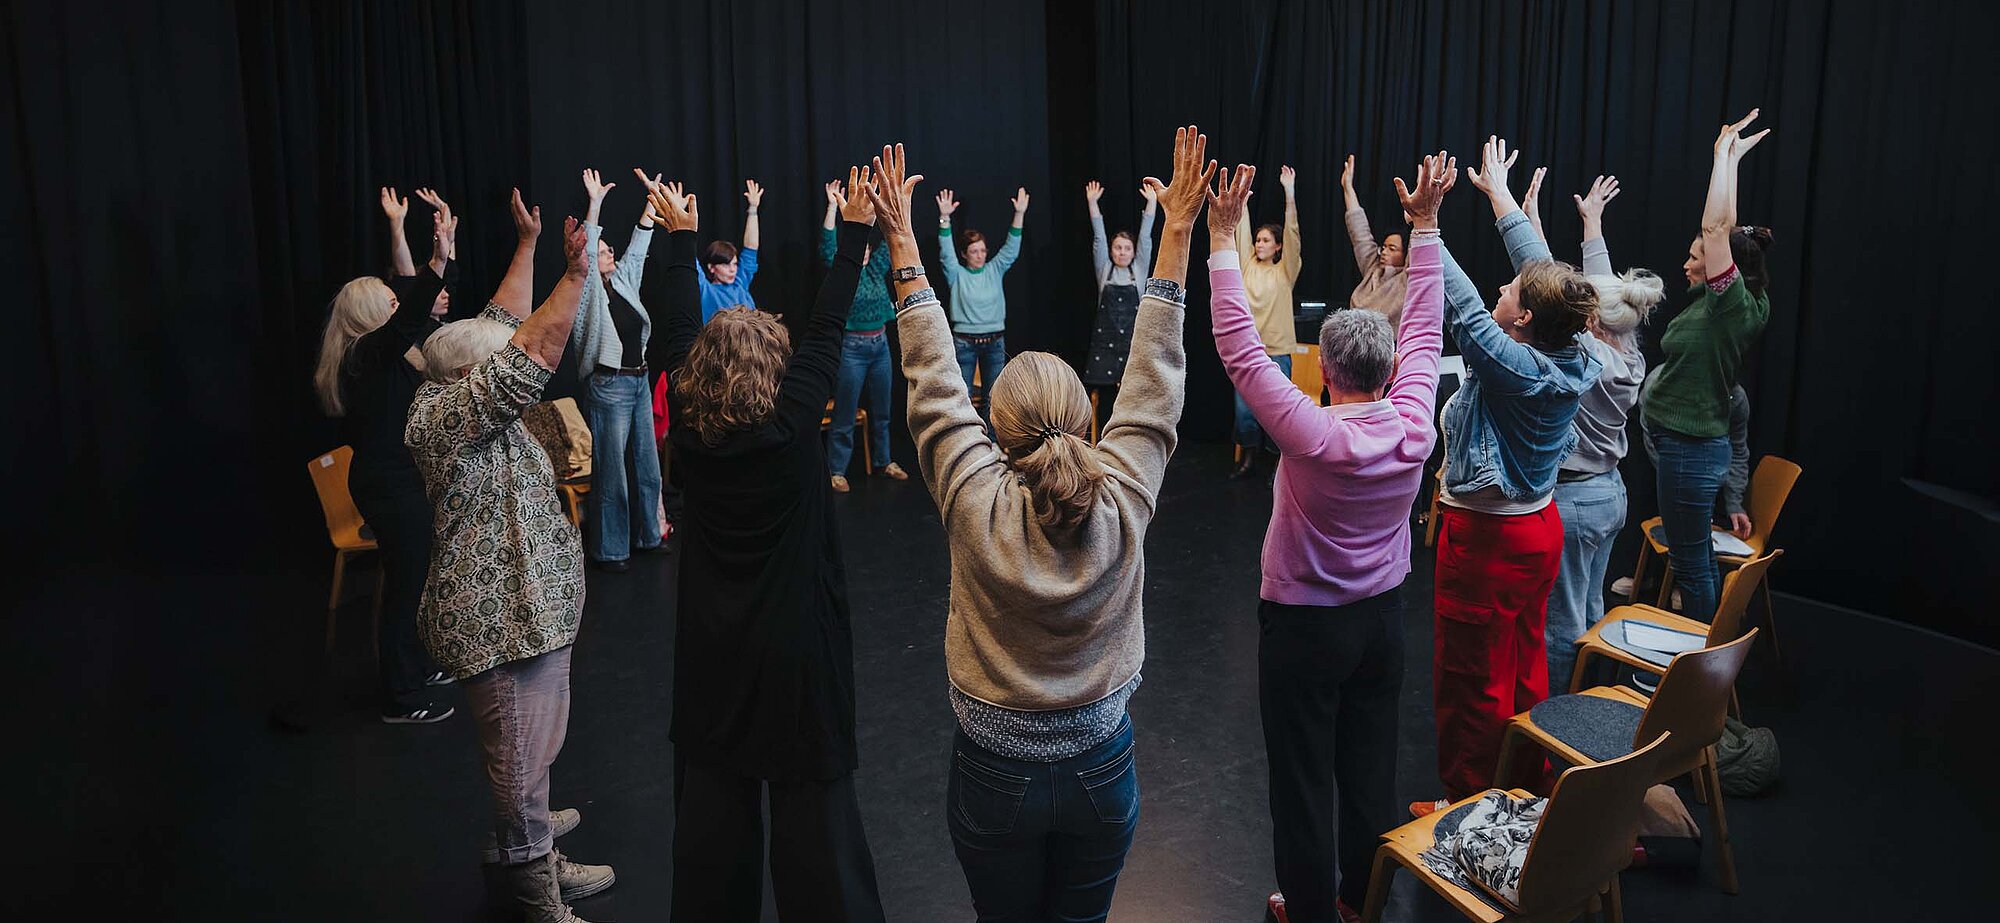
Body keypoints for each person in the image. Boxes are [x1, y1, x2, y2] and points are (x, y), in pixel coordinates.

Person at [881, 130, 1203, 923]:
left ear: (998, 430)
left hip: (995, 773)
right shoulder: (1125, 495)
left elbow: (931, 379)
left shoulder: (973, 497)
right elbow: (1155, 379)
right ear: (1088, 422)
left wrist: (900, 237)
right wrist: (1182, 229)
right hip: (1102, 767)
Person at [643, 170, 886, 921]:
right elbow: (826, 327)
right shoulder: (789, 431)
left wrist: (681, 238)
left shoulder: (690, 424)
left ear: (697, 381)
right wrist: (857, 235)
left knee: (712, 833)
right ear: (779, 376)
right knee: (820, 843)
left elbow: (681, 331)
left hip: (713, 659)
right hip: (798, 663)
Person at [1217, 152, 1452, 923]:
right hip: (1381, 625)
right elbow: (1424, 323)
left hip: (1305, 629)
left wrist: (1221, 238)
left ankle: (1313, 910)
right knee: (1370, 769)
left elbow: (1239, 349)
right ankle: (1361, 902)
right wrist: (1426, 226)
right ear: (1388, 372)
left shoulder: (1310, 430)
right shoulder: (1415, 421)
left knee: (1302, 779)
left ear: (1327, 372)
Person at [405, 201, 615, 922]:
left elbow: (503, 322)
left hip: (533, 614)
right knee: (518, 763)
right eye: (491, 361)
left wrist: (527, 245)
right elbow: (525, 353)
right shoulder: (444, 415)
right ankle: (530, 892)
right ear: (467, 376)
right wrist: (577, 273)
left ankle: (535, 857)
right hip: (497, 624)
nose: (504, 353)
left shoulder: (464, 390)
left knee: (534, 752)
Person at [1414, 137, 1605, 815]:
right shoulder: (1572, 343)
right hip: (1535, 535)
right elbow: (1542, 272)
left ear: (1522, 318)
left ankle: (1470, 805)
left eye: (1512, 292)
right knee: (1523, 666)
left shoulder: (1516, 367)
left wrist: (1429, 223)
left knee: (1470, 678)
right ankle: (1526, 780)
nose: (1505, 285)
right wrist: (1498, 196)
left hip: (1488, 548)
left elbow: (1465, 309)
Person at [313, 192, 458, 724]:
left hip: (395, 477)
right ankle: (401, 696)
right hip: (387, 483)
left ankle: (416, 666)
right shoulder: (366, 357)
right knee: (405, 585)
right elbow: (411, 310)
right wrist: (438, 262)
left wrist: (412, 234)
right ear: (373, 316)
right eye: (389, 301)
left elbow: (410, 303)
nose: (399, 302)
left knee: (415, 579)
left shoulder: (377, 353)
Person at [1521, 172, 1668, 688]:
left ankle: (1558, 720)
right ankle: (1589, 695)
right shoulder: (1626, 350)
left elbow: (1545, 286)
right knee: (1587, 607)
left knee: (1561, 624)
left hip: (1577, 501)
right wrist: (1593, 225)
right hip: (1609, 495)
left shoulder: (1589, 356)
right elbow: (1600, 290)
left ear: (1591, 322)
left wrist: (1522, 220)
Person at [1641, 109, 1774, 621]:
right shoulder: (1718, 303)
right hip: (1686, 447)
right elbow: (1725, 229)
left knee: (1691, 564)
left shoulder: (1731, 305)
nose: (1692, 258)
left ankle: (1695, 679)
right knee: (1690, 559)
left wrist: (1722, 158)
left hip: (1691, 451)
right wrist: (1729, 161)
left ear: (1727, 269)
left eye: (1700, 253)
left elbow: (1717, 227)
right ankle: (1698, 671)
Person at [570, 167, 666, 572]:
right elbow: (589, 251)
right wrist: (595, 203)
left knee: (648, 466)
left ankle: (649, 535)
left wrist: (652, 200)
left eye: (611, 251)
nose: (609, 254)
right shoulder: (586, 292)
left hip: (639, 380)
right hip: (608, 385)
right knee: (613, 473)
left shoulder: (624, 281)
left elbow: (640, 245)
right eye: (603, 251)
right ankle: (611, 550)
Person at [820, 178, 909, 492]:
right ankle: (837, 470)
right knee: (845, 413)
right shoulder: (845, 272)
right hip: (853, 350)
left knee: (883, 410)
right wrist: (833, 205)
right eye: (863, 250)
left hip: (880, 345)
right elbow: (828, 244)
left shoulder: (874, 269)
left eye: (869, 251)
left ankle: (885, 461)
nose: (867, 254)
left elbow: (889, 240)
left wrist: (883, 206)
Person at [1229, 164, 1301, 479]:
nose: (1259, 244)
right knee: (1245, 414)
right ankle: (1248, 459)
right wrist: (1242, 201)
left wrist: (1289, 192)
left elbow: (1293, 234)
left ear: (1278, 246)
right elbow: (1240, 233)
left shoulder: (1285, 271)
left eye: (1266, 240)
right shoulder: (1246, 266)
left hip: (1278, 351)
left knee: (1277, 416)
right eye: (1257, 240)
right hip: (1249, 352)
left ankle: (1277, 465)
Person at [935, 183, 1028, 422]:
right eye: (974, 251)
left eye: (983, 250)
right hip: (965, 343)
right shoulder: (956, 273)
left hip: (995, 342)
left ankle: (994, 444)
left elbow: (1011, 249)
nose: (980, 255)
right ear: (965, 254)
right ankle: (968, 445)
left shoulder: (994, 269)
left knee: (994, 397)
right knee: (962, 396)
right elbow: (946, 252)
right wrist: (945, 218)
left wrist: (1019, 213)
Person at [1081, 179, 1158, 427]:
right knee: (1104, 402)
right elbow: (1098, 239)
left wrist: (1152, 205)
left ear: (1134, 252)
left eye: (1127, 248)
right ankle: (1104, 444)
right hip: (1105, 346)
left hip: (1132, 345)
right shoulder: (1105, 272)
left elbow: (1146, 239)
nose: (1122, 252)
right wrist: (1093, 204)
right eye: (1118, 248)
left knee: (1133, 399)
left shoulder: (1139, 273)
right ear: (1112, 251)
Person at [1339, 155, 1408, 325]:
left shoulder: (1407, 279)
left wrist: (1418, 218)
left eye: (1392, 248)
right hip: (1354, 343)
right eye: (1383, 247)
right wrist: (1347, 188)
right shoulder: (1373, 269)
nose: (1384, 252)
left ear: (1406, 255)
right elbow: (1359, 233)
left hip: (1388, 348)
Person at [382, 185, 456, 318]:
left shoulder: (445, 321)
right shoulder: (415, 325)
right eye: (438, 291)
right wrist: (396, 223)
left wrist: (445, 210)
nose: (446, 295)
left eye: (444, 290)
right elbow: (406, 274)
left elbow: (448, 262)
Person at [697, 179, 763, 322]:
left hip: (751, 343)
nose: (733, 269)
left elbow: (751, 249)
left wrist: (753, 209)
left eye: (735, 264)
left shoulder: (739, 283)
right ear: (712, 267)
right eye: (726, 265)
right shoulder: (705, 290)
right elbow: (687, 258)